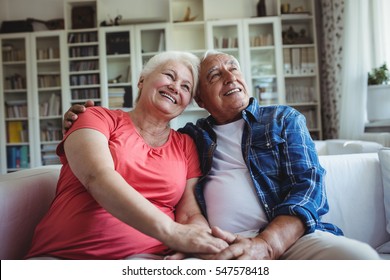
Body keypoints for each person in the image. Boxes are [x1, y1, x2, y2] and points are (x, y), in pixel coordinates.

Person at [64, 50, 381, 260]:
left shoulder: (283, 119)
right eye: (215, 75)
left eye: (234, 69)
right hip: (222, 247)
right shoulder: (192, 138)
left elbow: (308, 188)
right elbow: (138, 142)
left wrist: (266, 244)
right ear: (199, 99)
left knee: (360, 260)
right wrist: (79, 119)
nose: (230, 78)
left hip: (289, 239)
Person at [25, 51, 231, 260]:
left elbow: (190, 214)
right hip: (66, 255)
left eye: (186, 87)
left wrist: (197, 243)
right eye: (169, 75)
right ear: (142, 80)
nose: (175, 87)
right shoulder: (96, 117)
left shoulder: (186, 144)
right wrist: (173, 233)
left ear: (187, 102)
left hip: (148, 258)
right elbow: (97, 176)